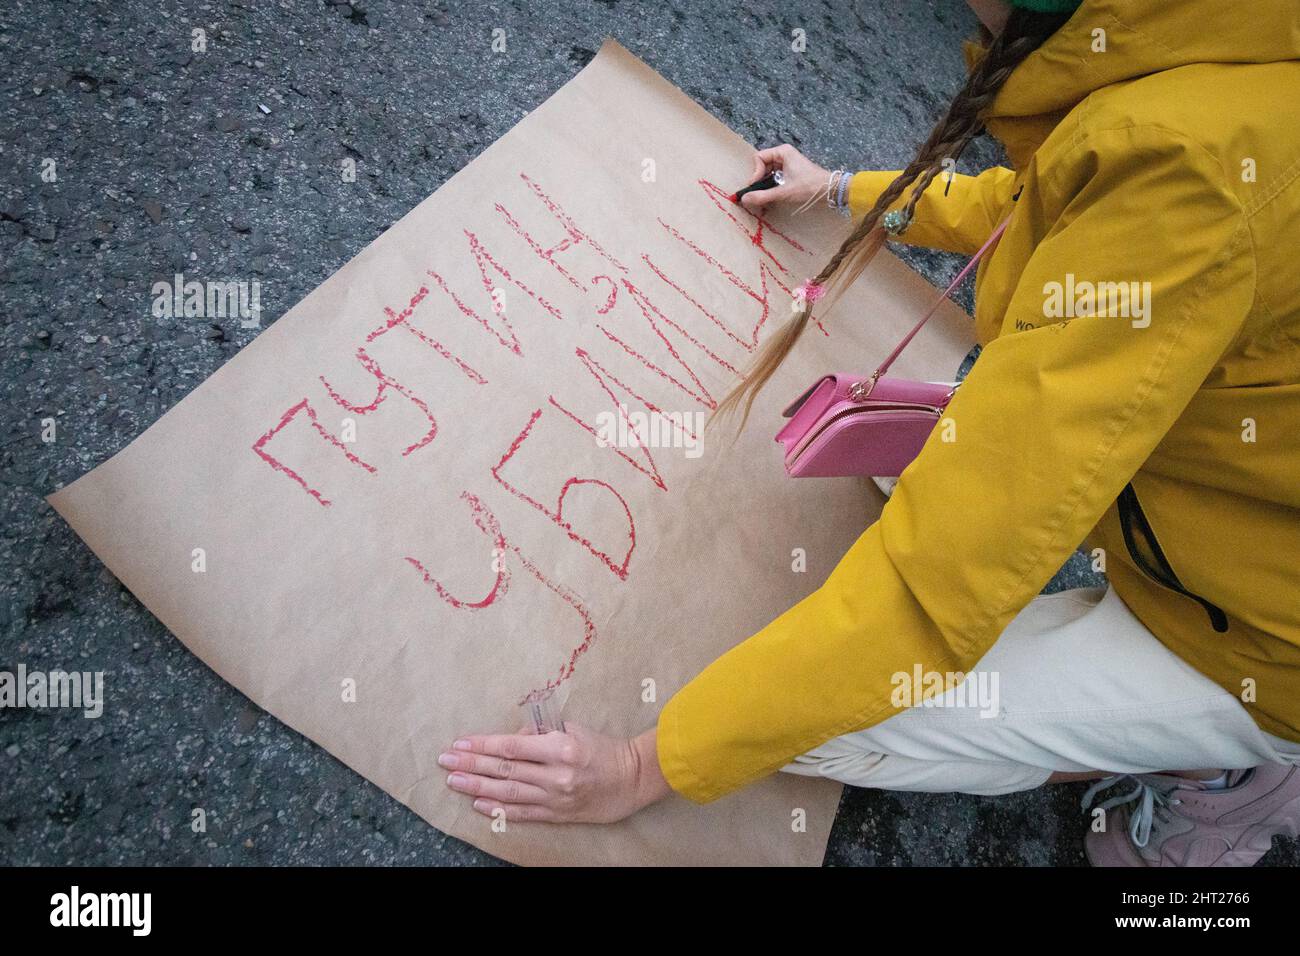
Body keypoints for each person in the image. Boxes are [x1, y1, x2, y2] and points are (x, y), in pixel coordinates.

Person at [438, 0, 1300, 867]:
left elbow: (941, 586)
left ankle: (1228, 760)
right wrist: (845, 192)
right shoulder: (1221, 47)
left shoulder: (1196, 173)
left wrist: (638, 766)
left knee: (825, 736)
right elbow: (1042, 201)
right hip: (1202, 525)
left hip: (1252, 636)